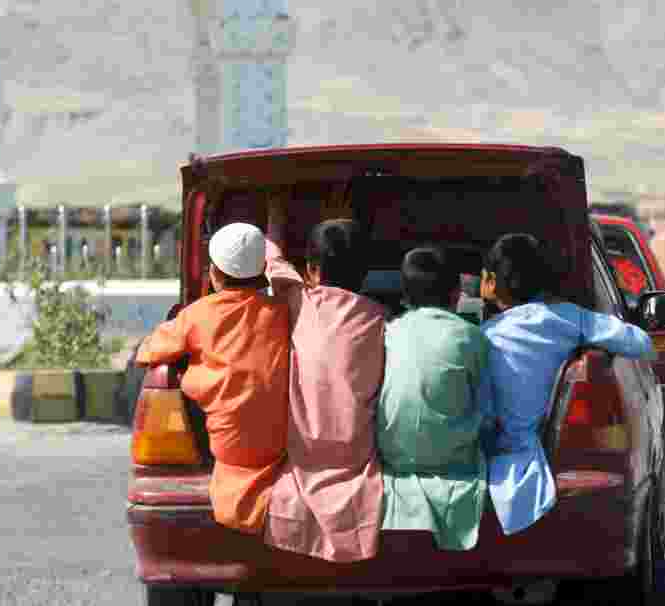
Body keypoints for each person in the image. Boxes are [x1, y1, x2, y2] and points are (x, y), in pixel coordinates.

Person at [479, 232, 656, 536]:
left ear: (492, 283)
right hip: (539, 455)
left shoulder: (482, 335)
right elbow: (641, 342)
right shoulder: (568, 318)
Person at [135, 223, 290, 534]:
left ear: (214, 275)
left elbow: (148, 352)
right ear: (262, 271)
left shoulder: (197, 315)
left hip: (228, 452)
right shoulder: (285, 313)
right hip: (282, 450)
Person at [261, 191, 388, 563]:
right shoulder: (380, 320)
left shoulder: (297, 300)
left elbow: (273, 259)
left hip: (303, 455)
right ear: (366, 272)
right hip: (355, 454)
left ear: (312, 270)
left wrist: (275, 213)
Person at [376, 247, 491, 551]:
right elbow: (487, 404)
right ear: (456, 295)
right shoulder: (471, 336)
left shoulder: (387, 333)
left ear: (404, 295)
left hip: (394, 456)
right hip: (453, 462)